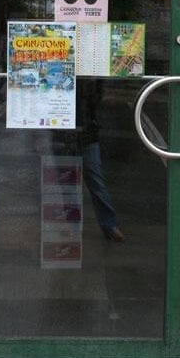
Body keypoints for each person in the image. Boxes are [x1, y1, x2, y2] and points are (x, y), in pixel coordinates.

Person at [76, 79, 124, 243]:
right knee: (65, 180)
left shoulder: (91, 79)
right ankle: (69, 224)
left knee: (95, 179)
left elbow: (95, 100)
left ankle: (109, 224)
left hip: (86, 132)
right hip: (66, 131)